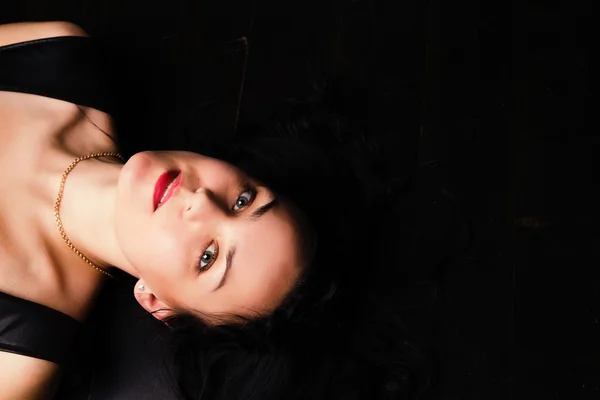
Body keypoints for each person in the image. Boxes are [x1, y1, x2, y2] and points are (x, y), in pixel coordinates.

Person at [1, 21, 430, 400]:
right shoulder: (57, 59)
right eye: (243, 200)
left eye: (209, 258)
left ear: (158, 304)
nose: (202, 202)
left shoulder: (16, 360)